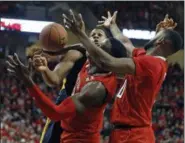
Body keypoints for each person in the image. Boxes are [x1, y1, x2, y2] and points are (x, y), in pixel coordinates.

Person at [63, 10, 183, 143]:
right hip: (126, 132)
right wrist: (112, 25)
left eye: (158, 34)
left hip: (134, 135)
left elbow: (107, 62)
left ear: (160, 41)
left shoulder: (152, 64)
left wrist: (81, 35)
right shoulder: (149, 60)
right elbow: (126, 44)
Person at [6, 31, 127, 142]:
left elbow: (55, 113)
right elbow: (82, 46)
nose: (94, 46)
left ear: (105, 60)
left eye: (100, 48)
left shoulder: (95, 89)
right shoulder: (92, 60)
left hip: (79, 140)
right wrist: (57, 52)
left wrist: (27, 80)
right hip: (69, 132)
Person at [26, 42, 86, 143]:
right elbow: (55, 79)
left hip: (89, 108)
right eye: (93, 35)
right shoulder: (75, 54)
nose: (95, 37)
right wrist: (44, 69)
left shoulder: (104, 59)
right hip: (69, 100)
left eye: (99, 34)